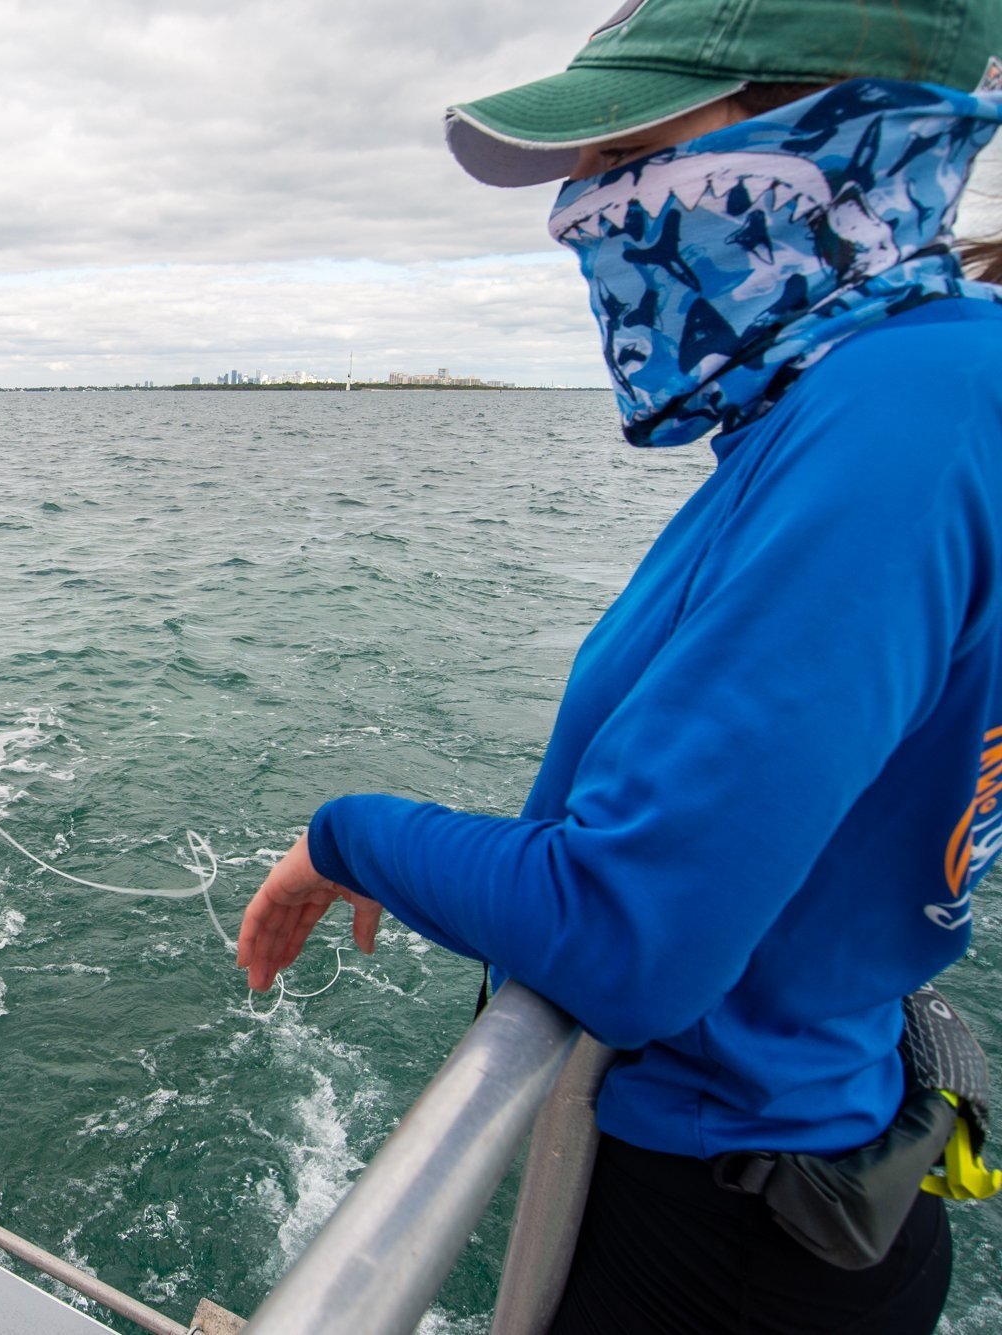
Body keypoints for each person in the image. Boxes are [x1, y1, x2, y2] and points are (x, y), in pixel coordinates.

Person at [238, 0, 1002, 1330]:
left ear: (820, 121)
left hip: (722, 1234)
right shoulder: (931, 383)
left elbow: (628, 937)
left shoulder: (888, 426)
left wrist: (342, 833)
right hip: (825, 1147)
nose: (582, 210)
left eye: (624, 150)